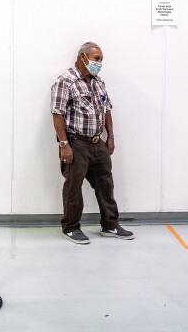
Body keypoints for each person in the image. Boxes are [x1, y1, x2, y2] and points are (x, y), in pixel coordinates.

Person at [50, 42, 133, 244]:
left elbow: (107, 109)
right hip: (76, 143)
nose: (99, 63)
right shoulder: (66, 81)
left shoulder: (98, 82)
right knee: (73, 186)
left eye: (101, 59)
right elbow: (57, 113)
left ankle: (110, 225)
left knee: (105, 184)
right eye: (97, 59)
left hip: (98, 143)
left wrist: (110, 136)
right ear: (82, 57)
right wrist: (64, 145)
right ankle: (70, 227)